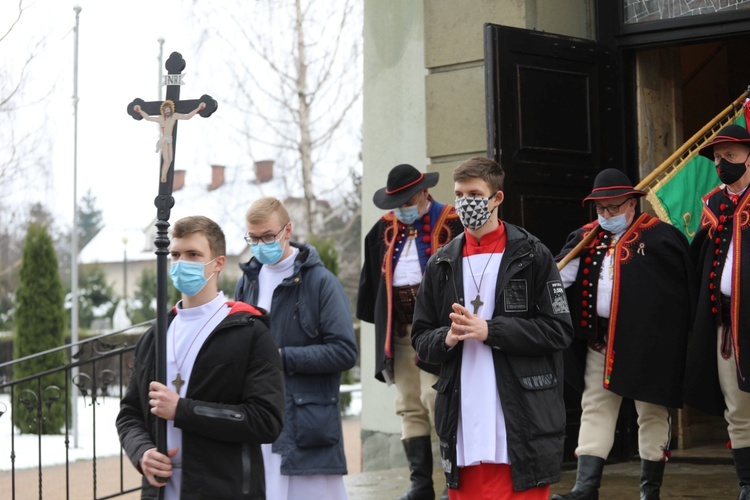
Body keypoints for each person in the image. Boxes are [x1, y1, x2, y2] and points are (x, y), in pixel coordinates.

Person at [411, 156, 573, 499]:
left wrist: (491, 331)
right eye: (459, 194)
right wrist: (447, 337)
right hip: (463, 412)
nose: (465, 202)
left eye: (474, 193)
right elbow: (420, 337)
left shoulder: (533, 254)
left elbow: (558, 330)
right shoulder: (440, 263)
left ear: (497, 198)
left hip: (520, 412)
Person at [116, 215, 285, 500]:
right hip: (160, 491)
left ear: (218, 263)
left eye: (193, 254)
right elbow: (130, 413)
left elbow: (266, 420)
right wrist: (142, 452)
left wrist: (183, 410)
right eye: (175, 254)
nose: (182, 263)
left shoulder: (249, 332)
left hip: (225, 489)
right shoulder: (156, 335)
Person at [553, 168, 693, 500]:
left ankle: (649, 491)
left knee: (652, 412)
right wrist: (558, 273)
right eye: (600, 209)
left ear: (631, 202)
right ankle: (585, 488)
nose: (606, 215)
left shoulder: (661, 238)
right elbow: (559, 282)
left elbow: (679, 295)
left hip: (649, 347)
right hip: (600, 342)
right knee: (595, 407)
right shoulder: (585, 237)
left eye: (613, 207)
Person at [235, 197, 358, 500]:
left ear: (288, 230)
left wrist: (281, 358)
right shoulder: (247, 283)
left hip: (305, 422)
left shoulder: (321, 283)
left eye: (267, 236)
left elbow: (344, 351)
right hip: (259, 415)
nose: (260, 244)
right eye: (253, 238)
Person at [356, 163, 463, 500]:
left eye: (405, 201)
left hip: (439, 334)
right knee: (408, 404)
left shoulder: (453, 223)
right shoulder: (382, 231)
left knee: (439, 402)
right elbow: (372, 285)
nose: (400, 209)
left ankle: (454, 482)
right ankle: (420, 484)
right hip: (402, 333)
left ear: (422, 195)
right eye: (396, 203)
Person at [684, 123, 750, 499]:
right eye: (718, 157)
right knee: (737, 409)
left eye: (732, 155)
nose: (723, 163)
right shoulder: (715, 205)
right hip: (726, 325)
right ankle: (746, 483)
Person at [133, 99, 206, 183]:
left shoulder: (174, 116)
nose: (167, 111)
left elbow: (187, 116)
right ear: (163, 111)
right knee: (166, 160)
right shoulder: (161, 119)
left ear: (171, 109)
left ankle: (164, 175)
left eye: (168, 109)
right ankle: (163, 177)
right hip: (164, 140)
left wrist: (198, 109)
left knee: (170, 159)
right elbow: (148, 118)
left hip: (169, 139)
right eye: (165, 110)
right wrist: (140, 110)